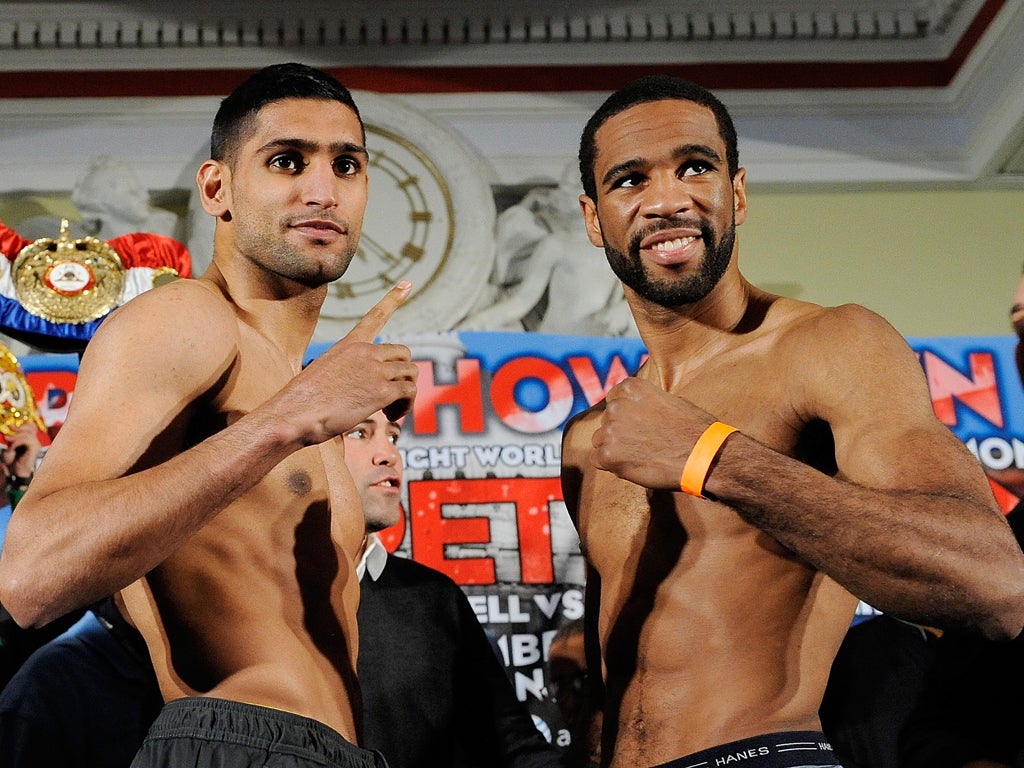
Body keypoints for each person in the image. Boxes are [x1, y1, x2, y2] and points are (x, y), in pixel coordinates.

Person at [559, 74, 1024, 768]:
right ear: (594, 219)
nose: (666, 199)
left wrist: (714, 455)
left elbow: (995, 581)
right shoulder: (594, 436)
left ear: (737, 193)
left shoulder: (828, 347)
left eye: (695, 167)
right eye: (630, 180)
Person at [0, 62, 418, 768]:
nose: (323, 190)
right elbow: (31, 576)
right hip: (233, 744)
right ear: (217, 188)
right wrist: (288, 418)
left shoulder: (289, 376)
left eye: (347, 165)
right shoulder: (189, 319)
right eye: (287, 161)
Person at [0, 409, 562, 768]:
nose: (389, 451)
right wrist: (31, 488)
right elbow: (34, 607)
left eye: (393, 434)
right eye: (358, 433)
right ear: (301, 453)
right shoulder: (218, 584)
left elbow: (507, 743)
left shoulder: (431, 598)